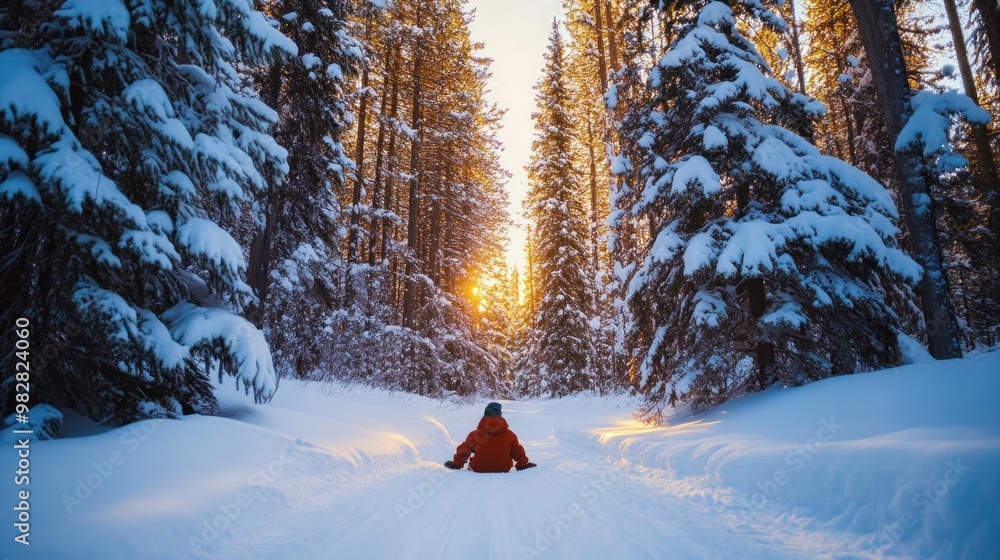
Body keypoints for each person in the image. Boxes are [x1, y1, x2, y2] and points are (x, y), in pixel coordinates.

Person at [444, 402, 537, 473]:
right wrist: (522, 464)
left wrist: (457, 464)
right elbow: (518, 451)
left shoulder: (474, 435)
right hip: (504, 468)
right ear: (500, 415)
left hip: (479, 468)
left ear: (485, 415)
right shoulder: (510, 435)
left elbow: (464, 451)